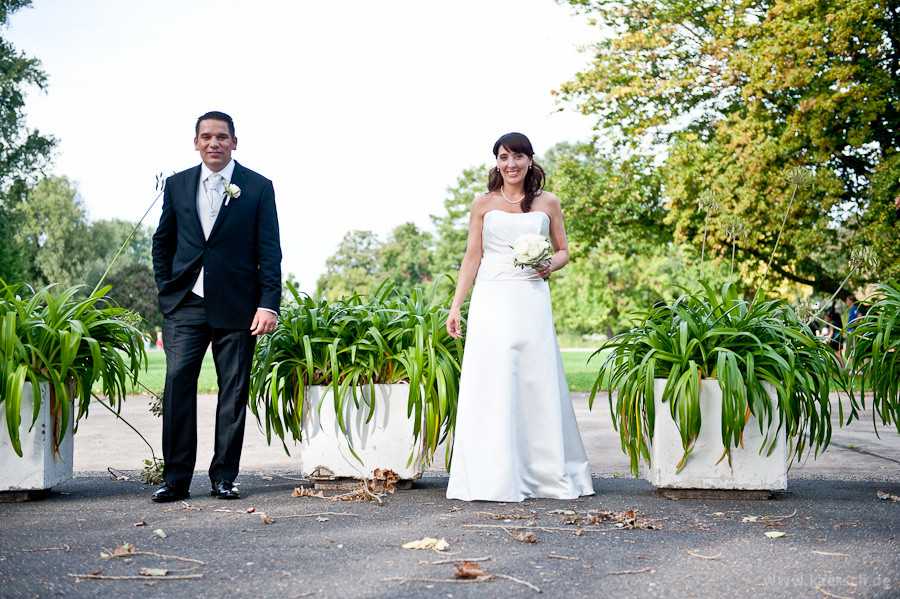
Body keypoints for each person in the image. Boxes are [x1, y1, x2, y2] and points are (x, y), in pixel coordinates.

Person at [445, 132, 594, 502]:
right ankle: (491, 474)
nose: (510, 164)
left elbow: (564, 252)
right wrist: (456, 305)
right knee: (492, 379)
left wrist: (549, 266)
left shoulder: (548, 202)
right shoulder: (482, 203)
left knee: (535, 378)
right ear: (497, 162)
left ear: (530, 160)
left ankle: (543, 474)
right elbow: (472, 258)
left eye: (518, 156)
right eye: (503, 156)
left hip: (531, 296)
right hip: (492, 298)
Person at [150, 111, 282, 502]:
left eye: (222, 137)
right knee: (176, 386)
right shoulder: (177, 185)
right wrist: (167, 290)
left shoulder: (258, 187)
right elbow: (163, 243)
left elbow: (269, 252)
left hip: (239, 307)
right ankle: (175, 479)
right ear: (196, 142)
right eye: (206, 136)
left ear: (234, 142)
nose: (214, 143)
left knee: (234, 391)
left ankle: (224, 476)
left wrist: (268, 304)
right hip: (185, 305)